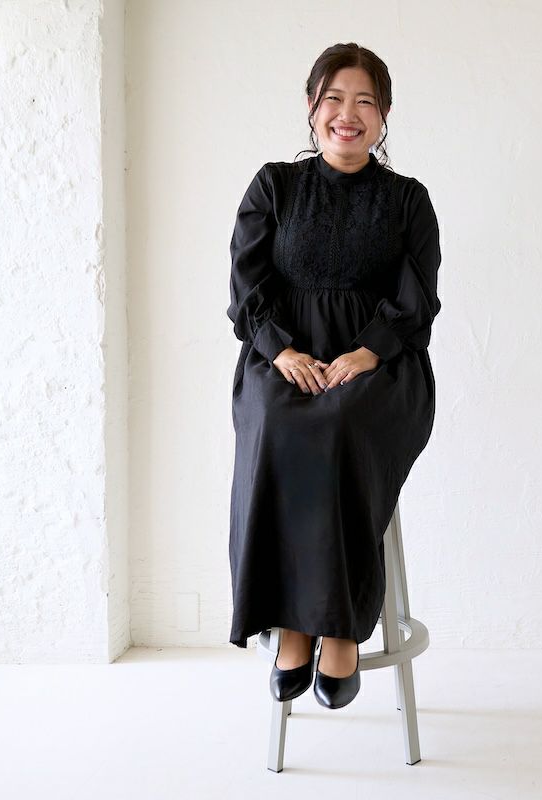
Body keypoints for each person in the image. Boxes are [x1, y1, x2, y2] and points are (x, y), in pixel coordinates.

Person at [226, 42, 442, 710]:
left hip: (382, 367)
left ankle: (340, 626)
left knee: (342, 424)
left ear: (384, 116)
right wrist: (281, 351)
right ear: (311, 106)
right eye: (334, 99)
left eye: (365, 102)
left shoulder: (407, 200)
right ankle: (291, 623)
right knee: (278, 420)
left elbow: (418, 299)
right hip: (284, 357)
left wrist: (369, 350)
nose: (348, 114)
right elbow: (246, 287)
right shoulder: (275, 186)